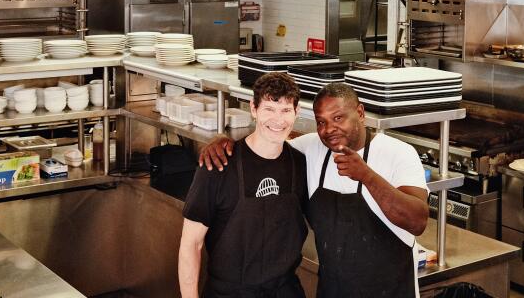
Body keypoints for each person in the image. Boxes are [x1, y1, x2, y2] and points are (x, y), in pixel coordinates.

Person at [201, 82, 429, 298]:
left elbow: (417, 221)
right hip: (333, 291)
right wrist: (224, 141)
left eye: (338, 118)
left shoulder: (398, 153)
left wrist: (367, 176)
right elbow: (262, 147)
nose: (329, 129)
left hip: (391, 291)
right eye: (321, 122)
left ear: (360, 113)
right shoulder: (311, 149)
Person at [178, 72, 309, 298]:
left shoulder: (301, 163)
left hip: (284, 291)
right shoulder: (218, 165)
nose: (278, 120)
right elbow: (191, 244)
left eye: (286, 110)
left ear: (297, 112)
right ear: (253, 109)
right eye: (269, 109)